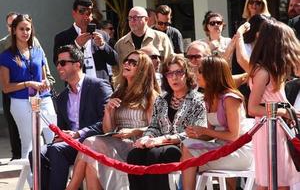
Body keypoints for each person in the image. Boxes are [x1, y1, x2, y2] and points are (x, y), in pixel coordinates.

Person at [66, 50, 160, 190]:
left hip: (137, 146)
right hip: (116, 141)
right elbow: (108, 130)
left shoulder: (150, 96)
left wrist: (133, 131)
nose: (127, 63)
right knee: (91, 155)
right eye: (126, 61)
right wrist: (108, 112)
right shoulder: (119, 92)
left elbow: (156, 129)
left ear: (142, 69)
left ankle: (71, 187)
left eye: (133, 62)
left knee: (90, 144)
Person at [33, 45, 112, 190]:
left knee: (57, 151)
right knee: (36, 153)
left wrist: (78, 134)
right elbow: (63, 128)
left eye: (63, 63)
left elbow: (107, 122)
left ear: (77, 64)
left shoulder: (99, 86)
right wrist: (61, 135)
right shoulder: (62, 97)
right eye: (57, 63)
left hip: (94, 142)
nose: (58, 66)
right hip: (70, 145)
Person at [127, 55, 207, 190]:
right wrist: (147, 137)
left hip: (184, 148)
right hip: (158, 144)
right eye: (170, 73)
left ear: (187, 75)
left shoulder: (198, 100)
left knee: (155, 154)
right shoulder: (161, 99)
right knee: (134, 155)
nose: (174, 77)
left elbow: (196, 131)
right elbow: (153, 126)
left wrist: (163, 140)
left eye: (179, 72)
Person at [181, 56, 253, 190]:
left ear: (212, 74)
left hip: (238, 152)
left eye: (200, 71)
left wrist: (204, 131)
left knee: (188, 151)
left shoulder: (231, 99)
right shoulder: (209, 98)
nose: (196, 75)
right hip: (221, 148)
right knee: (187, 145)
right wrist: (195, 134)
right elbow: (211, 134)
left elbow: (233, 136)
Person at [247, 19, 300, 189]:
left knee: (278, 182)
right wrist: (283, 112)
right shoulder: (263, 72)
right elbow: (252, 108)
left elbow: (277, 99)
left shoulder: (273, 69)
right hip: (268, 129)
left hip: (278, 128)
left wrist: (289, 111)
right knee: (275, 182)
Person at [0, 14, 56, 160]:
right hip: (20, 102)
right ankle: (32, 182)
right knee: (29, 144)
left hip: (43, 100)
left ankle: (56, 176)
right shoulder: (6, 55)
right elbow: (6, 87)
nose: (25, 32)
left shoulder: (38, 51)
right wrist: (28, 84)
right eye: (21, 29)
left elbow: (44, 77)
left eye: (28, 29)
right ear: (13, 31)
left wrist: (47, 83)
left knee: (55, 139)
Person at [53, 0, 118, 81]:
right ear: (74, 13)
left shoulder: (102, 35)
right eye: (82, 11)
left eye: (89, 12)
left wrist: (103, 45)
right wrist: (75, 45)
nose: (86, 15)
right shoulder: (62, 37)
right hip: (76, 87)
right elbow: (58, 63)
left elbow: (115, 61)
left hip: (101, 86)